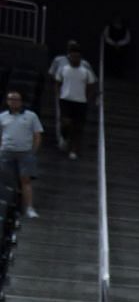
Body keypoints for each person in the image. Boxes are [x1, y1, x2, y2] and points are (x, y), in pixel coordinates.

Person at [47, 41, 95, 159]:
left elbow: (91, 85)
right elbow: (56, 81)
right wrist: (58, 94)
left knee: (78, 126)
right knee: (65, 122)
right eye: (72, 55)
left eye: (77, 56)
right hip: (65, 99)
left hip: (80, 101)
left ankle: (74, 149)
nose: (75, 58)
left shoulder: (85, 69)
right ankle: (64, 138)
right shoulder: (63, 66)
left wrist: (87, 98)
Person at [1, 89, 44, 218]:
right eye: (11, 99)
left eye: (16, 99)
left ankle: (29, 208)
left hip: (25, 153)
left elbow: (37, 135)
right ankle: (8, 207)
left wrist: (33, 151)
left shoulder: (31, 116)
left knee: (25, 181)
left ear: (21, 101)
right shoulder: (2, 116)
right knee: (7, 181)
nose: (13, 102)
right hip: (6, 152)